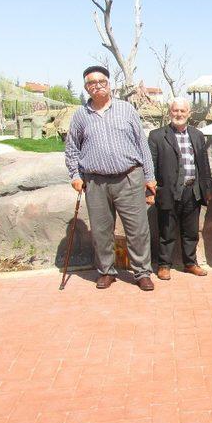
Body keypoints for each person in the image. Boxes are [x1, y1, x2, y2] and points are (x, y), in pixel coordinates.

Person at [65, 65, 156, 291]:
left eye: (101, 81)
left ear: (109, 83)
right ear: (86, 87)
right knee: (101, 230)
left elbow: (142, 145)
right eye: (91, 83)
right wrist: (75, 175)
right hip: (95, 181)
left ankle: (142, 272)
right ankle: (106, 271)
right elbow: (72, 149)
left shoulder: (126, 109)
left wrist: (149, 176)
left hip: (129, 178)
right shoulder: (80, 116)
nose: (97, 86)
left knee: (137, 229)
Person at [148, 97, 212, 280]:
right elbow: (150, 167)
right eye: (175, 111)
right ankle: (164, 265)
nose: (179, 114)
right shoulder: (157, 135)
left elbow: (204, 165)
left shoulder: (198, 135)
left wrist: (207, 189)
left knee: (191, 231)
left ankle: (190, 263)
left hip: (192, 191)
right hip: (167, 191)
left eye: (182, 111)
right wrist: (149, 191)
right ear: (170, 112)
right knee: (166, 230)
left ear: (189, 114)